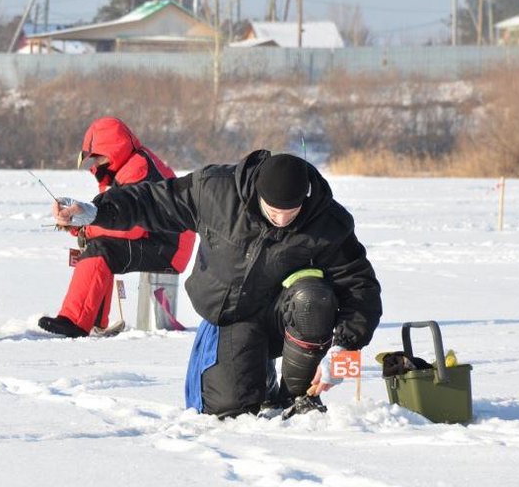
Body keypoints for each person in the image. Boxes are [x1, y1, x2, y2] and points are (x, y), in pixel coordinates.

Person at [53, 150, 382, 417]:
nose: (282, 220)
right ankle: (258, 379)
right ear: (257, 193)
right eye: (273, 211)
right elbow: (154, 201)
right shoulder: (216, 191)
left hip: (285, 317)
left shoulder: (327, 221)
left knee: (313, 296)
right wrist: (96, 212)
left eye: (291, 212)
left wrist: (345, 347)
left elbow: (359, 286)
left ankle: (298, 397)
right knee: (229, 408)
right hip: (232, 316)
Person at [38, 117, 196, 338]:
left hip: (169, 245)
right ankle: (93, 319)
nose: (95, 165)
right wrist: (78, 224)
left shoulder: (137, 170)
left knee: (103, 249)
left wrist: (85, 228)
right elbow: (110, 217)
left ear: (112, 150)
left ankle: (75, 321)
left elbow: (130, 226)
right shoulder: (130, 166)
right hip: (162, 240)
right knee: (101, 247)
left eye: (97, 157)